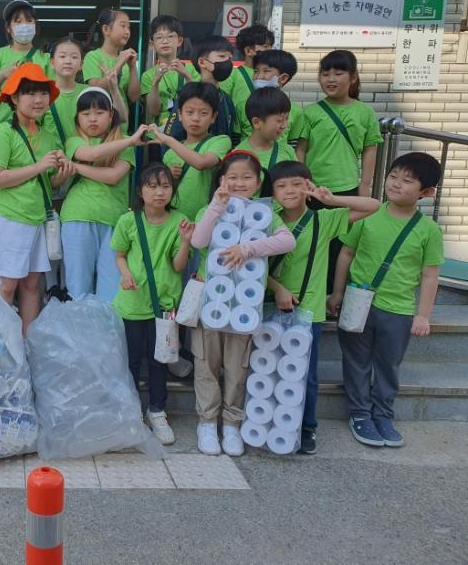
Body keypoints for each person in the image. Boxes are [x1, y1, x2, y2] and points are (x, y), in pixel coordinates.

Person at [328, 153, 443, 449]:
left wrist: (423, 315)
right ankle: (360, 414)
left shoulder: (428, 230)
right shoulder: (368, 215)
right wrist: (337, 293)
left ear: (426, 193)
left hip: (399, 308)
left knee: (388, 364)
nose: (396, 184)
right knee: (356, 360)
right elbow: (346, 254)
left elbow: (430, 276)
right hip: (357, 300)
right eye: (393, 176)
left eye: (407, 181)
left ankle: (383, 414)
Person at [268, 160, 380, 454]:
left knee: (306, 375)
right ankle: (271, 423)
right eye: (281, 186)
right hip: (269, 308)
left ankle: (306, 427)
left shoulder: (325, 219)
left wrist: (330, 199)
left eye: (296, 184)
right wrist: (277, 287)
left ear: (308, 187)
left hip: (309, 312)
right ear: (272, 191)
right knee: (267, 369)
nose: (289, 190)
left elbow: (373, 205)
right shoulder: (267, 219)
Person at [190, 151, 296, 456]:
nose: (239, 182)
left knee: (237, 366)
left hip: (245, 307)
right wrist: (216, 206)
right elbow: (198, 241)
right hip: (211, 301)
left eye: (247, 177)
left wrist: (248, 248)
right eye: (232, 177)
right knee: (206, 364)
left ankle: (232, 423)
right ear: (221, 179)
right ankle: (207, 422)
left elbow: (287, 241)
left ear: (259, 182)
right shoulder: (211, 209)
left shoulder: (264, 214)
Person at [0, 63, 74, 333]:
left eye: (43, 93)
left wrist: (62, 172)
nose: (38, 100)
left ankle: (27, 345)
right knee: (7, 286)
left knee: (33, 284)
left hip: (37, 218)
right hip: (10, 217)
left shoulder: (46, 135)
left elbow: (48, 183)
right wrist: (39, 166)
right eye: (30, 93)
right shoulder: (4, 132)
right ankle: (1, 345)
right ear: (14, 98)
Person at [112, 163, 193, 445]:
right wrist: (125, 275)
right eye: (152, 186)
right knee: (131, 361)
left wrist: (185, 242)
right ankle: (131, 411)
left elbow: (178, 264)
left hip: (164, 306)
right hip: (132, 304)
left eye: (165, 186)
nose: (159, 192)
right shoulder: (128, 220)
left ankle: (157, 411)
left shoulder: (179, 220)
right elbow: (120, 254)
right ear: (140, 190)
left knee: (161, 361)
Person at [297, 49, 382, 292]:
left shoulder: (364, 112)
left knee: (340, 247)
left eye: (338, 73)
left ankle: (334, 297)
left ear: (353, 77)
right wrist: (304, 182)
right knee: (311, 244)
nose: (330, 79)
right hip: (313, 191)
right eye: (325, 74)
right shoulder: (311, 112)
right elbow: (301, 149)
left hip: (346, 189)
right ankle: (309, 293)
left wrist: (364, 188)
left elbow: (370, 150)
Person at [62, 87, 143, 302]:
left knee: (113, 293)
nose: (92, 119)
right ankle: (78, 335)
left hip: (115, 221)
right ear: (77, 118)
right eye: (86, 114)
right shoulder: (74, 141)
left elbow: (114, 176)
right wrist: (131, 140)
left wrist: (77, 168)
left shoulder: (124, 142)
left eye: (99, 113)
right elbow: (92, 154)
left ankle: (108, 336)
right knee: (78, 289)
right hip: (77, 215)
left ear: (111, 115)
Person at [151, 82, 233, 228]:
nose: (195, 118)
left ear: (214, 117)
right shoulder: (170, 153)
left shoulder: (221, 141)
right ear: (180, 115)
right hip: (174, 222)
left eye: (203, 113)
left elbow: (201, 163)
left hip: (205, 222)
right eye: (189, 112)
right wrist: (168, 177)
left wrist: (168, 140)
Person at [0, 0, 51, 122]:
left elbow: (52, 96)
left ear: (35, 25)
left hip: (36, 128)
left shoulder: (45, 58)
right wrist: (2, 75)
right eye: (18, 22)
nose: (24, 25)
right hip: (3, 125)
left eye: (29, 21)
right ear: (8, 28)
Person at [142, 14, 198, 129]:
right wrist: (155, 83)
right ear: (152, 44)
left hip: (188, 133)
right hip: (158, 135)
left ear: (179, 41)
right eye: (159, 37)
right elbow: (154, 111)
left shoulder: (193, 69)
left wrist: (187, 76)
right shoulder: (148, 75)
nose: (165, 41)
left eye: (170, 36)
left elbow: (198, 102)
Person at [83, 8, 141, 114]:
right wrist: (119, 63)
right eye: (122, 26)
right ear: (106, 29)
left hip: (121, 126)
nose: (127, 31)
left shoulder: (127, 61)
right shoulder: (92, 57)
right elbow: (97, 90)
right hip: (99, 124)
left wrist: (132, 68)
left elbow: (134, 97)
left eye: (129, 27)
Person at [225, 24, 274, 137]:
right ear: (248, 50)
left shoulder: (273, 74)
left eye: (270, 46)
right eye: (265, 46)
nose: (270, 50)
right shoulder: (232, 74)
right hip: (239, 137)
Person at [235, 87, 297, 173]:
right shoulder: (237, 156)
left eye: (286, 118)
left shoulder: (288, 151)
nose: (284, 125)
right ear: (257, 123)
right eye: (279, 120)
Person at [251, 49, 305, 146]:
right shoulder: (243, 105)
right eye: (256, 71)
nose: (258, 76)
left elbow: (293, 143)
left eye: (266, 71)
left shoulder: (295, 110)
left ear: (283, 78)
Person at [41, 36, 87, 147]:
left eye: (74, 57)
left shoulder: (90, 93)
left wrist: (113, 88)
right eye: (62, 56)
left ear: (81, 64)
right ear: (52, 63)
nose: (68, 61)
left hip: (84, 160)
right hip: (52, 161)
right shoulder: (42, 95)